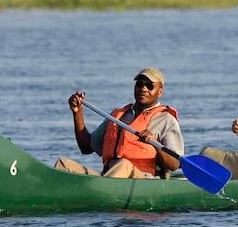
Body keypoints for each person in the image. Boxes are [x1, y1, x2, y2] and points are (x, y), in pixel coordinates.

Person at [54, 68, 183, 179]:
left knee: (123, 164)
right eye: (139, 84)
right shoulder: (118, 115)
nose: (143, 89)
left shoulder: (166, 119)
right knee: (63, 164)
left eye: (149, 86)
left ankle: (98, 192)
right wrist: (77, 113)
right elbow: (86, 147)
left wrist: (155, 144)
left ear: (160, 92)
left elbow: (174, 164)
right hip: (109, 177)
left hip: (143, 180)